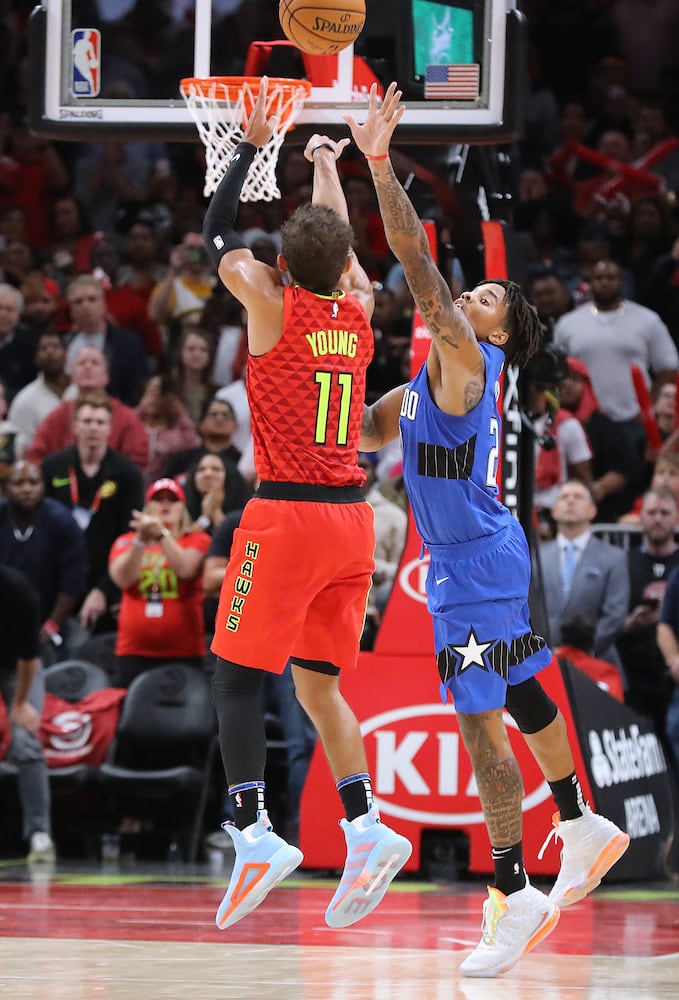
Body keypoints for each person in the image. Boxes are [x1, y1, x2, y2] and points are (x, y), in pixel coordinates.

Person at [347, 82, 629, 979]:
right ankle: (578, 820)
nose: (469, 295)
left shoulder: (469, 355)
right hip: (482, 553)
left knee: (480, 730)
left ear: (502, 327)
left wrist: (378, 165)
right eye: (472, 291)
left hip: (470, 562)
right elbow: (365, 431)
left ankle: (513, 893)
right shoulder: (430, 376)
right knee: (519, 687)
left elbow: (416, 264)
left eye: (486, 295)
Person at [202, 78, 411, 932]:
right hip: (351, 522)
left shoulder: (270, 302)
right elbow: (344, 249)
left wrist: (250, 146)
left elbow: (217, 234)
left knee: (234, 674)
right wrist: (329, 161)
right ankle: (365, 825)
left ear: (283, 268)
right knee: (319, 685)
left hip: (286, 516)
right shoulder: (358, 312)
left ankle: (254, 830)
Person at [42, 392, 144, 637]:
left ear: (110, 428)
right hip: (56, 579)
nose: (93, 428)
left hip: (105, 579)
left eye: (100, 422)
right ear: (75, 426)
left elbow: (129, 537)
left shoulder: (126, 472)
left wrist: (104, 589)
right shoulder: (53, 467)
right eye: (87, 421)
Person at [108, 477, 211, 688]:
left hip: (184, 651)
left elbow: (186, 570)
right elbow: (123, 579)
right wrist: (141, 540)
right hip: (132, 651)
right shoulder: (126, 541)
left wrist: (161, 534)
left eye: (172, 500)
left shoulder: (197, 540)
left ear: (182, 507)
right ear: (148, 507)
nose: (165, 504)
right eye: (158, 499)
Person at [536, 480, 629, 674]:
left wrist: (581, 652)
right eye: (564, 497)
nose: (570, 501)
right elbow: (528, 609)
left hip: (597, 664)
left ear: (592, 510)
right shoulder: (536, 557)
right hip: (544, 663)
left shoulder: (614, 557)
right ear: (554, 511)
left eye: (578, 497)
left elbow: (615, 615)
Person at [0, 461, 88, 656]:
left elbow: (73, 580)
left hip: (48, 616)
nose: (27, 489)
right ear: (6, 488)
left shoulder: (62, 521)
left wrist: (52, 624)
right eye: (19, 483)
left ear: (43, 486)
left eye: (33, 483)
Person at [618, 486, 679, 765]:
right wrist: (629, 623)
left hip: (672, 679)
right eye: (652, 512)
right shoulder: (624, 562)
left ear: (675, 518)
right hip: (634, 678)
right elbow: (610, 619)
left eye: (664, 513)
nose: (657, 519)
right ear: (641, 517)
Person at [0, 564, 54, 863]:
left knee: (25, 738)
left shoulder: (17, 592)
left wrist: (20, 703)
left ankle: (39, 833)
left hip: (18, 669)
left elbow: (28, 658)